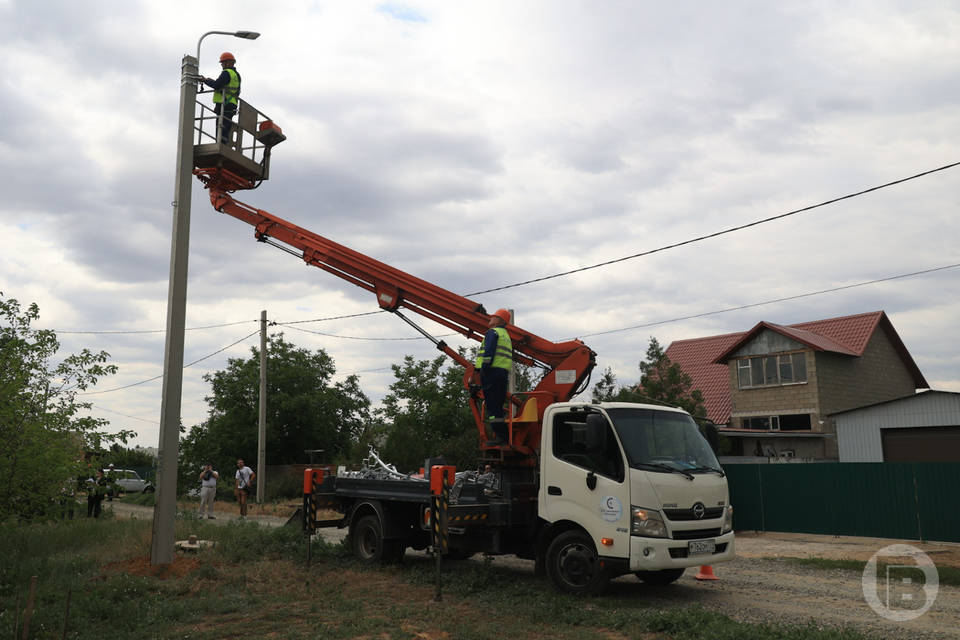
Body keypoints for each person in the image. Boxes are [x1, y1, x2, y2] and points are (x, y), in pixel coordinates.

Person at [475, 308, 514, 446]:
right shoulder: (506, 335)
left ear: (499, 320)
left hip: (491, 372)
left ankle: (501, 437)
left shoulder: (493, 332)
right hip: (502, 374)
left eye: (493, 317)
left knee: (492, 407)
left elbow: (489, 353)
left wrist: (484, 370)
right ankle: (502, 435)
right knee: (497, 405)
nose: (489, 318)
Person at [200, 52, 241, 145]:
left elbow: (217, 85)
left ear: (229, 62)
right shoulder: (236, 75)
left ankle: (221, 144)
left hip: (225, 104)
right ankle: (224, 144)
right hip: (232, 104)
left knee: (221, 127)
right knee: (225, 128)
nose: (222, 65)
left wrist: (205, 81)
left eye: (223, 62)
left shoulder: (227, 73)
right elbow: (231, 89)